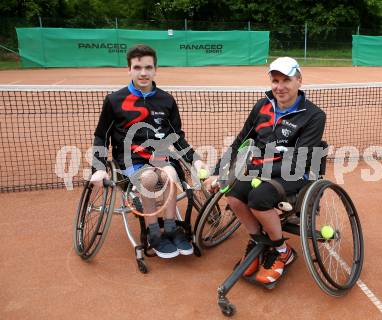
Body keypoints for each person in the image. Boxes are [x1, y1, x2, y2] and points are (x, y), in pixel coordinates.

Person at [204, 57, 326, 284]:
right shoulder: (262, 107)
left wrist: (254, 169)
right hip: (258, 169)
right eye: (275, 80)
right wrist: (219, 171)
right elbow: (240, 141)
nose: (280, 87)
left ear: (299, 80)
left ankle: (282, 251)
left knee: (259, 198)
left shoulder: (314, 115)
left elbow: (298, 162)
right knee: (233, 194)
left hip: (294, 173)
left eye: (286, 80)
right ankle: (258, 240)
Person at [89, 44, 206, 259]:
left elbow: (176, 136)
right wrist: (97, 168)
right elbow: (101, 137)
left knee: (171, 174)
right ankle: (154, 233)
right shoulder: (114, 100)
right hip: (129, 161)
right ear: (129, 69)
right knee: (149, 179)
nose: (143, 73)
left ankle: (170, 229)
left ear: (155, 69)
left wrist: (196, 161)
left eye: (148, 67)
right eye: (137, 67)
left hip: (161, 157)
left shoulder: (166, 100)